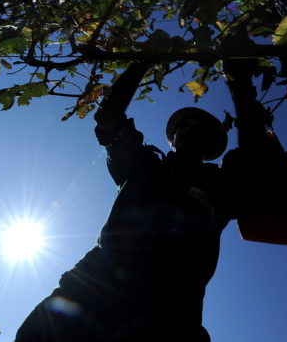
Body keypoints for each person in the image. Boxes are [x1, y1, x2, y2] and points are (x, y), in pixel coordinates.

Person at [15, 62, 237, 342]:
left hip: (171, 311)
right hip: (93, 289)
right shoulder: (143, 164)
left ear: (213, 144)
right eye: (185, 125)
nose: (191, 129)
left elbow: (256, 171)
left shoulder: (223, 185)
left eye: (202, 127)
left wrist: (239, 80)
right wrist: (143, 61)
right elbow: (109, 118)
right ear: (173, 139)